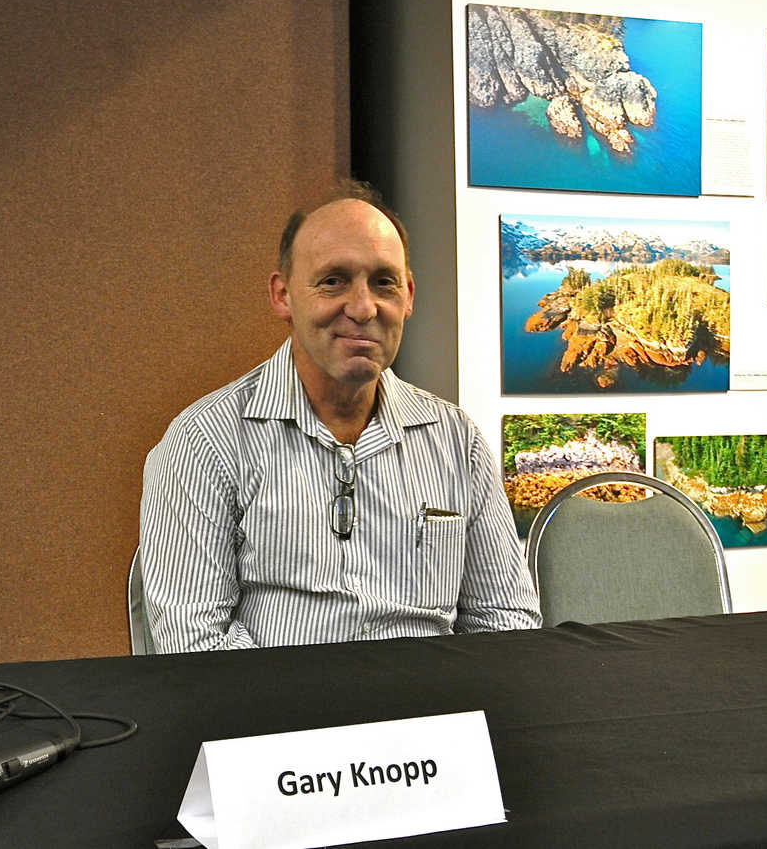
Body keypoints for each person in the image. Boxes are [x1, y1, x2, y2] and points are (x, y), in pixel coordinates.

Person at [140, 181, 540, 652]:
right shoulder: (205, 442)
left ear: (408, 296)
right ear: (283, 295)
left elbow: (506, 623)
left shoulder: (456, 440)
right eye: (333, 281)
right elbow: (192, 644)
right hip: (280, 717)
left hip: (430, 713)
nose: (363, 307)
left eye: (384, 282)